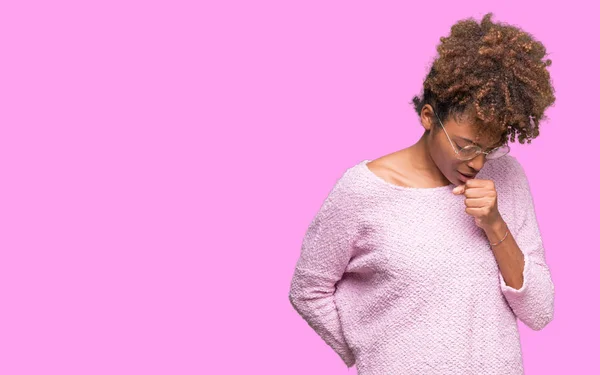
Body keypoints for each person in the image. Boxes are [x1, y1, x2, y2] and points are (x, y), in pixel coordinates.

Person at [288, 12, 556, 375]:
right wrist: (371, 353)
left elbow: (539, 312)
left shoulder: (507, 178)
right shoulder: (363, 190)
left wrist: (494, 224)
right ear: (429, 117)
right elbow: (308, 289)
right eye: (465, 145)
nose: (477, 162)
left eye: (490, 148)